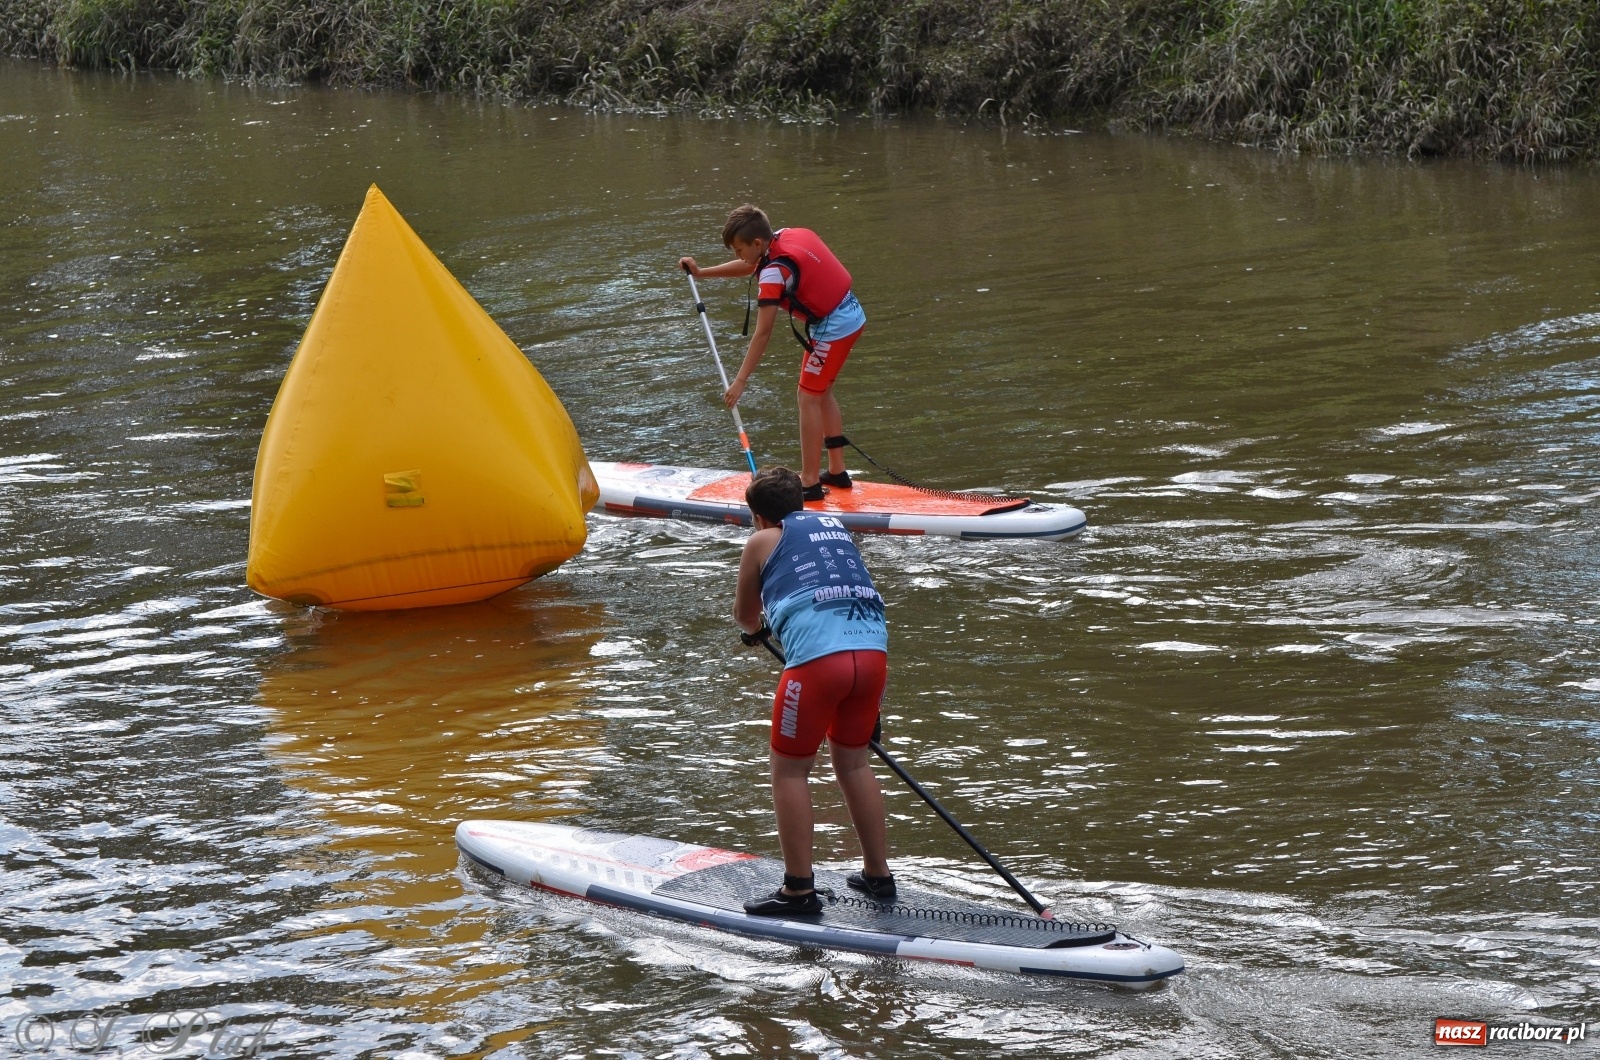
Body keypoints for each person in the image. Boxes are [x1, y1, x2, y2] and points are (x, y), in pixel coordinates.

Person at [732, 466, 895, 916]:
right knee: (854, 763)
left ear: (758, 515)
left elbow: (746, 616)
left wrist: (754, 632)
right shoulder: (835, 530)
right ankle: (878, 875)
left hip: (820, 666)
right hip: (873, 656)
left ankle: (799, 890)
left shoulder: (760, 540)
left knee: (790, 772)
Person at [680, 205, 866, 502]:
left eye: (739, 249)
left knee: (808, 397)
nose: (739, 255)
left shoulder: (774, 273)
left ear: (757, 243)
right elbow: (753, 265)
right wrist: (702, 274)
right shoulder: (781, 237)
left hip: (834, 327)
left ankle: (809, 484)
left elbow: (763, 332)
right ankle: (837, 473)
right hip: (850, 314)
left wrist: (740, 381)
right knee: (821, 393)